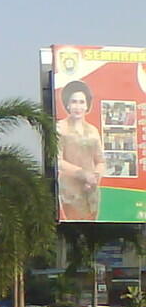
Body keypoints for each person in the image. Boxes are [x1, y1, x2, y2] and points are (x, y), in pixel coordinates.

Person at [56, 79, 104, 220]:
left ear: (87, 105)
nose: (78, 106)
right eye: (74, 101)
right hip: (71, 192)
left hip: (91, 192)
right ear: (68, 104)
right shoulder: (60, 128)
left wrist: (94, 177)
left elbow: (100, 161)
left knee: (93, 232)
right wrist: (82, 174)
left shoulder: (93, 130)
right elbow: (57, 161)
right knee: (75, 232)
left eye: (82, 102)